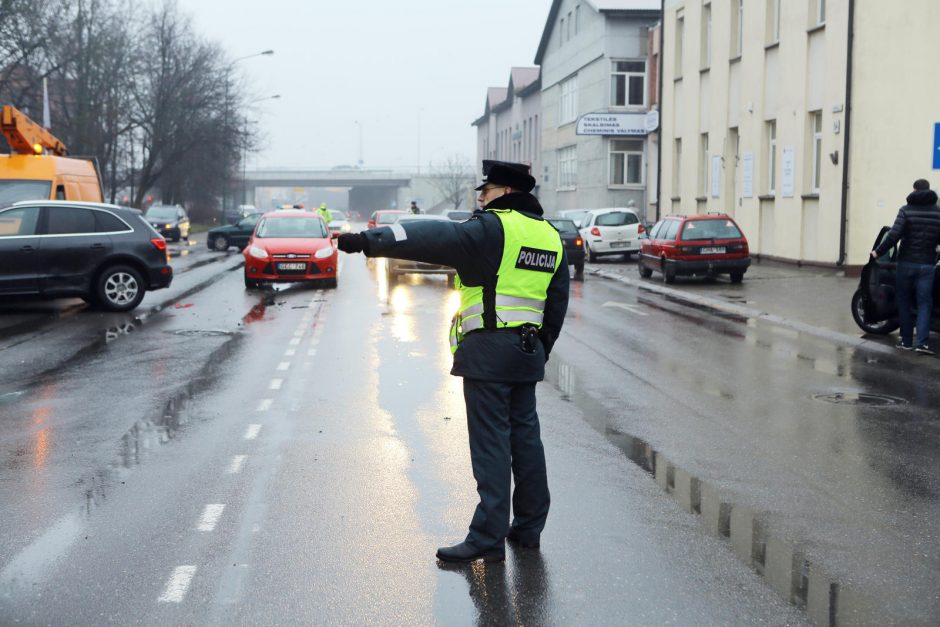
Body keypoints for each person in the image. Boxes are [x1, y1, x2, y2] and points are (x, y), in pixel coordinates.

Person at [337, 160, 569, 563]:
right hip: (527, 353)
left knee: (491, 445)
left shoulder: (493, 227)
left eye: (487, 190)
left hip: (489, 355)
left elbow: (432, 236)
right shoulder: (549, 236)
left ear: (507, 193)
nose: (480, 197)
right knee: (526, 440)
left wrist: (369, 241)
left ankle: (487, 538)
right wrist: (541, 348)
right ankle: (528, 529)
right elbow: (557, 301)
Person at [871, 178, 940, 354]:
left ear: (915, 190)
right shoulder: (938, 213)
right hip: (927, 265)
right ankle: (922, 344)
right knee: (925, 303)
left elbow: (893, 235)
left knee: (904, 301)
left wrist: (878, 252)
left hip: (906, 263)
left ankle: (907, 341)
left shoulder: (906, 210)